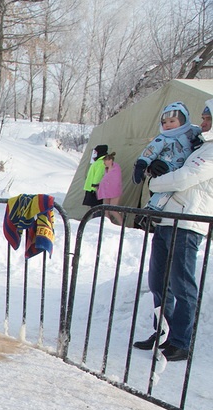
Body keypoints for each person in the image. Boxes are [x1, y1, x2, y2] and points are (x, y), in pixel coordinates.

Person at [132, 98, 213, 363]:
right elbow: (175, 165)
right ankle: (163, 332)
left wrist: (155, 182)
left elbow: (185, 177)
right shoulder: (198, 146)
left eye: (207, 118)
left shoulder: (210, 152)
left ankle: (180, 341)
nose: (202, 124)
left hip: (188, 222)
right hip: (167, 218)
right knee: (158, 281)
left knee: (181, 284)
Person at [133, 102, 203, 213]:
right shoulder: (163, 138)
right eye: (164, 122)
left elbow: (206, 135)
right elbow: (150, 151)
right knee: (166, 189)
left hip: (186, 172)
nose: (167, 125)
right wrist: (142, 164)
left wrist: (200, 142)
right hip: (168, 168)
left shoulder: (193, 131)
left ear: (183, 120)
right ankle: (152, 210)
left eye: (172, 121)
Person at [96, 152, 123, 224]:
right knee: (106, 210)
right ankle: (108, 224)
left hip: (114, 191)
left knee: (113, 210)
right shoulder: (106, 170)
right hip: (106, 191)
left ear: (110, 160)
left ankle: (122, 224)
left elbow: (116, 181)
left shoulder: (116, 169)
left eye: (105, 161)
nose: (104, 163)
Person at [82, 144, 108, 208]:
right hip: (91, 188)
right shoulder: (98, 161)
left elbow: (99, 175)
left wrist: (95, 186)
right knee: (94, 207)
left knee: (96, 208)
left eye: (96, 152)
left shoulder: (101, 162)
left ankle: (97, 218)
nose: (94, 153)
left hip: (94, 190)